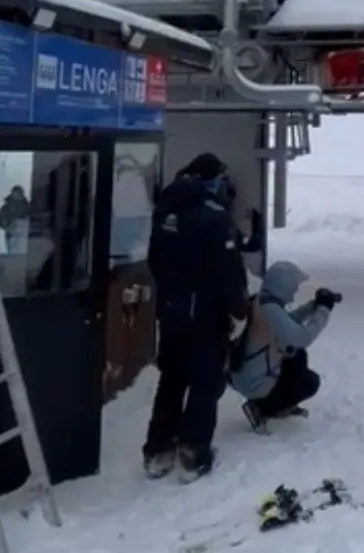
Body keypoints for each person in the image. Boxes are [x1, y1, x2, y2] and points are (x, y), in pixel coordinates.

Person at [142, 152, 249, 482]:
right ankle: (193, 454)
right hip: (205, 315)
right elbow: (228, 272)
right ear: (212, 179)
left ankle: (158, 450)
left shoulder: (165, 210)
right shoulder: (214, 217)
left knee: (172, 379)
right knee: (205, 382)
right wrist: (239, 308)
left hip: (171, 313)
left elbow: (154, 260)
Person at [228, 260, 339, 433]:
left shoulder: (262, 301)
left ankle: (277, 403)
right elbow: (301, 337)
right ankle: (262, 407)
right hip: (254, 383)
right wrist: (323, 310)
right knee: (310, 382)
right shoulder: (270, 310)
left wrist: (313, 305)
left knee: (297, 356)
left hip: (246, 374)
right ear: (284, 286)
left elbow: (288, 322)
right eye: (294, 288)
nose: (294, 295)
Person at [0, 185, 30, 255]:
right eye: (15, 193)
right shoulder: (6, 207)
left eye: (19, 193)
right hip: (12, 237)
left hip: (24, 238)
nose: (17, 195)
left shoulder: (28, 206)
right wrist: (6, 225)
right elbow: (0, 222)